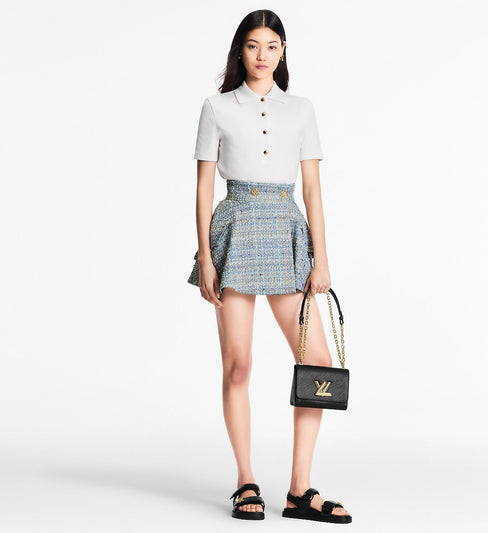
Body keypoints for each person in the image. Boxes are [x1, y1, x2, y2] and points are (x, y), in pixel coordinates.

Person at [187, 9, 352, 524]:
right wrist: (206, 258)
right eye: (254, 45)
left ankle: (300, 490)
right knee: (238, 366)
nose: (263, 55)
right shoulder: (217, 107)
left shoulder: (300, 109)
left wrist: (321, 259)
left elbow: (313, 190)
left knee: (318, 363)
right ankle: (245, 480)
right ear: (240, 50)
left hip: (285, 230)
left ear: (283, 51)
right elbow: (204, 188)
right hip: (235, 229)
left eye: (272, 46)